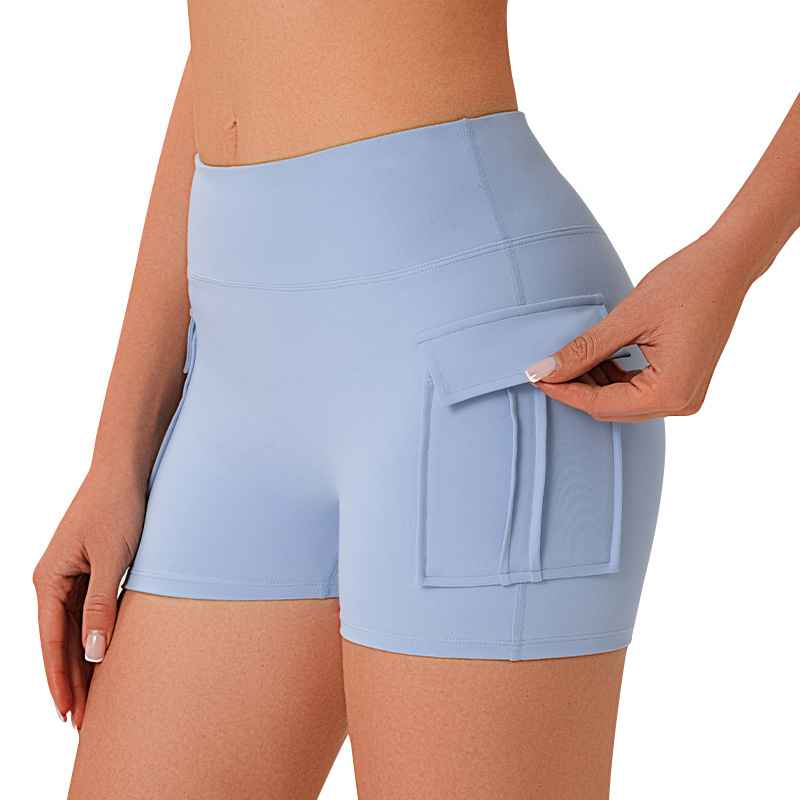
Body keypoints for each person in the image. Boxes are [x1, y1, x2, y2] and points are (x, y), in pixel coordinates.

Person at [33, 3, 799, 798]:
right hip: (233, 388)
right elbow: (230, 43)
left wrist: (735, 256)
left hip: (473, 357)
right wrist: (118, 451)